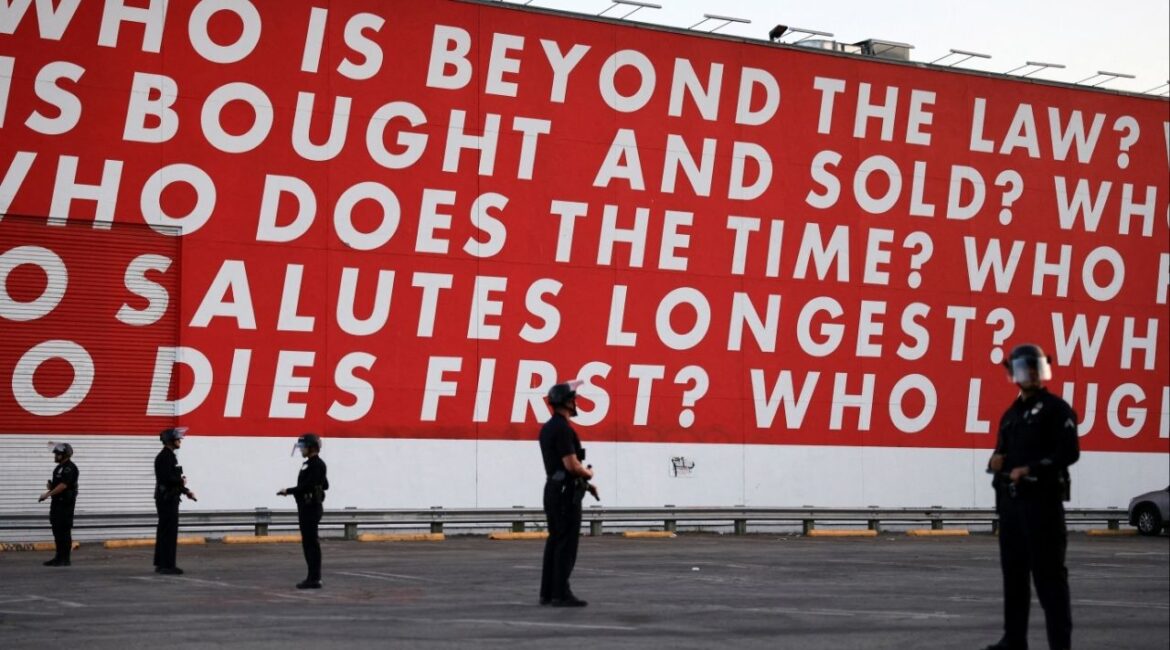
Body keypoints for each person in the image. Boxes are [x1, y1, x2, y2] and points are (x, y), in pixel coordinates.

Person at [985, 343, 1080, 650]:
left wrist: (1031, 469)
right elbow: (1001, 454)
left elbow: (1069, 452)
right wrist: (995, 462)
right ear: (1014, 373)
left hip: (1043, 507)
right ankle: (1014, 639)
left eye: (1034, 368)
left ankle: (1060, 645)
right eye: (1023, 369)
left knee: (1049, 580)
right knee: (1013, 578)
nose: (1029, 375)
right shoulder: (1011, 415)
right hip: (1012, 509)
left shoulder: (1056, 409)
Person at [539, 380, 599, 607]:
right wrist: (589, 474)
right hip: (565, 493)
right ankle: (561, 593)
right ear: (566, 402)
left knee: (555, 541)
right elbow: (572, 466)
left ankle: (548, 592)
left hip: (554, 489)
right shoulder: (563, 429)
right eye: (573, 399)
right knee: (566, 544)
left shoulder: (548, 427)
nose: (576, 403)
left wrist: (586, 484)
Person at [278, 433, 329, 589]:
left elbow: (309, 485)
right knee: (308, 543)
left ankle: (314, 578)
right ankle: (312, 576)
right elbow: (324, 484)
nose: (301, 450)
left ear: (311, 447)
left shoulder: (316, 464)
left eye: (303, 446)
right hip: (306, 507)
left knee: (311, 543)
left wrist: (289, 490)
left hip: (311, 508)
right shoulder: (310, 464)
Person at [154, 427, 196, 575]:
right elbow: (167, 478)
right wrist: (181, 481)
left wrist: (186, 491)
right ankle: (167, 566)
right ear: (170, 440)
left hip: (168, 497)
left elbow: (172, 480)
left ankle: (162, 563)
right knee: (169, 532)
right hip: (167, 499)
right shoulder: (165, 457)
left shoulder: (168, 456)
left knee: (165, 531)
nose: (180, 441)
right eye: (178, 439)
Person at [39, 442, 79, 567]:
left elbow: (63, 486)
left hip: (65, 505)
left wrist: (48, 494)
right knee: (57, 530)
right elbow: (58, 485)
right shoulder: (58, 468)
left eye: (57, 454)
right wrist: (51, 487)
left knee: (64, 531)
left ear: (64, 455)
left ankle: (65, 559)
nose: (55, 455)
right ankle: (58, 557)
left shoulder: (70, 468)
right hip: (57, 504)